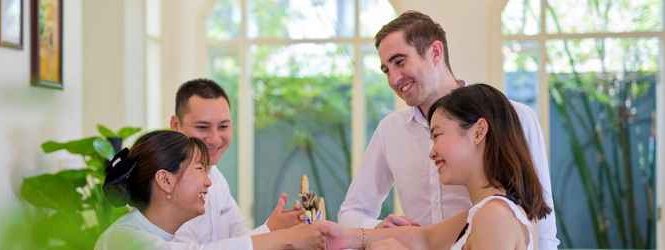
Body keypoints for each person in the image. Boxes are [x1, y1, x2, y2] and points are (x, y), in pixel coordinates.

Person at [337, 10, 560, 249]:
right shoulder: (389, 130)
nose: (393, 79)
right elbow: (355, 212)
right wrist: (380, 231)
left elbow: (542, 227)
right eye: (385, 70)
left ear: (435, 52)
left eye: (400, 62)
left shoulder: (512, 116)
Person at [326, 84, 551, 250]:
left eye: (437, 135)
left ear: (479, 132)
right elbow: (425, 238)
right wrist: (350, 237)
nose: (432, 151)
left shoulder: (495, 216)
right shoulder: (483, 211)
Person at [95, 130, 326, 250]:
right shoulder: (124, 239)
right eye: (199, 169)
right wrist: (285, 239)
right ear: (165, 180)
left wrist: (271, 229)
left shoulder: (153, 233)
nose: (209, 183)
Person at [169, 78, 323, 247]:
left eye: (223, 126)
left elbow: (241, 239)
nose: (214, 139)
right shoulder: (166, 183)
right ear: (176, 125)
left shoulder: (217, 177)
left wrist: (272, 228)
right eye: (202, 127)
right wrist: (282, 237)